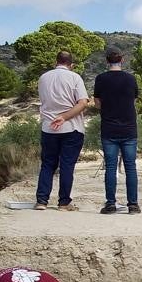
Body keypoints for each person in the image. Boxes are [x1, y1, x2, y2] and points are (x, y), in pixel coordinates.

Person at [35, 51, 89, 211]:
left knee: (47, 165)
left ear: (55, 62)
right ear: (71, 64)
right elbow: (82, 103)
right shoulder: (74, 78)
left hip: (48, 127)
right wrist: (64, 117)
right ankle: (64, 202)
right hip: (71, 127)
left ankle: (42, 201)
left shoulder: (43, 78)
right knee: (67, 165)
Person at [93, 49, 141, 214]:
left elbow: (97, 103)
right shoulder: (130, 79)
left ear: (107, 61)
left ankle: (110, 203)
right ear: (122, 60)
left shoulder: (100, 79)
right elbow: (133, 100)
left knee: (111, 168)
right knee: (130, 167)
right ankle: (133, 204)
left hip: (109, 128)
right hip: (129, 129)